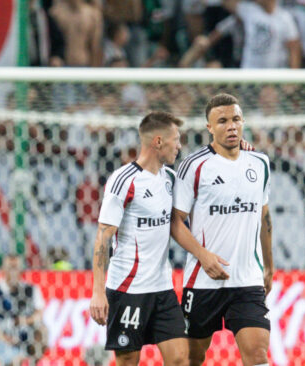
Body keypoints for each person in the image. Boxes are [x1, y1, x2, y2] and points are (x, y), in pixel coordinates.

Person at [90, 111, 228, 366]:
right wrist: (98, 292)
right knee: (128, 360)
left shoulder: (170, 179)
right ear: (158, 142)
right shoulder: (124, 181)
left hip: (162, 290)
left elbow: (175, 226)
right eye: (176, 139)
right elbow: (102, 238)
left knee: (179, 358)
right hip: (127, 289)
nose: (179, 145)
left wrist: (202, 255)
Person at [171, 93, 274, 366]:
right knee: (191, 358)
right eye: (223, 121)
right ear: (209, 128)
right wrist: (203, 255)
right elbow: (175, 221)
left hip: (247, 280)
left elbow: (263, 217)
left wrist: (269, 266)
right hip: (204, 281)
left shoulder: (260, 163)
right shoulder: (194, 166)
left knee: (258, 356)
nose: (231, 126)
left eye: (236, 119)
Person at [0, 254, 47, 365]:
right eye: (10, 267)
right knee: (12, 359)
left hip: (24, 337)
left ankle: (27, 359)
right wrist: (6, 338)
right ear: (3, 268)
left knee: (43, 331)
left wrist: (23, 321)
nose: (13, 271)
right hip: (1, 339)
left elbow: (39, 314)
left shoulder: (31, 289)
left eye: (16, 267)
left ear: (21, 269)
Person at [223, 0, 300, 69]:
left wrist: (292, 81)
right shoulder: (249, 10)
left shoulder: (285, 18)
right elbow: (227, 2)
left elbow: (293, 50)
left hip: (275, 76)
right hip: (249, 74)